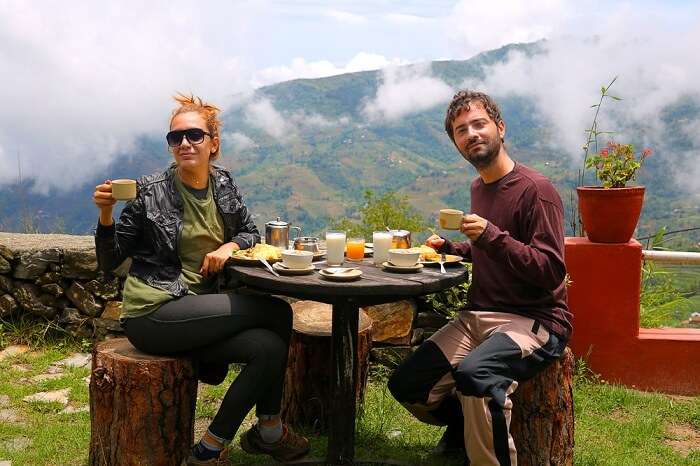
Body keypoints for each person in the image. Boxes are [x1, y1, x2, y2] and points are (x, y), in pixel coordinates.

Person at [93, 94, 310, 465]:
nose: (184, 144)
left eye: (194, 135)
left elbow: (249, 232)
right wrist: (106, 213)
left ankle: (211, 449)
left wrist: (229, 246)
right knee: (277, 313)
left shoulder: (222, 182)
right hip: (154, 311)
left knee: (268, 347)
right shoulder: (149, 192)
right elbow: (109, 261)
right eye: (175, 138)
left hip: (197, 311)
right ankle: (270, 433)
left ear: (214, 143)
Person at [388, 90, 572, 466]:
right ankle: (467, 432)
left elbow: (551, 271)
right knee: (407, 384)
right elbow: (495, 251)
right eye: (460, 130)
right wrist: (455, 249)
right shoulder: (479, 188)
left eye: (479, 124)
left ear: (500, 128)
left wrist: (491, 235)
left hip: (533, 320)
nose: (471, 134)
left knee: (477, 374)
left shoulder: (536, 191)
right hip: (478, 316)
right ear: (456, 142)